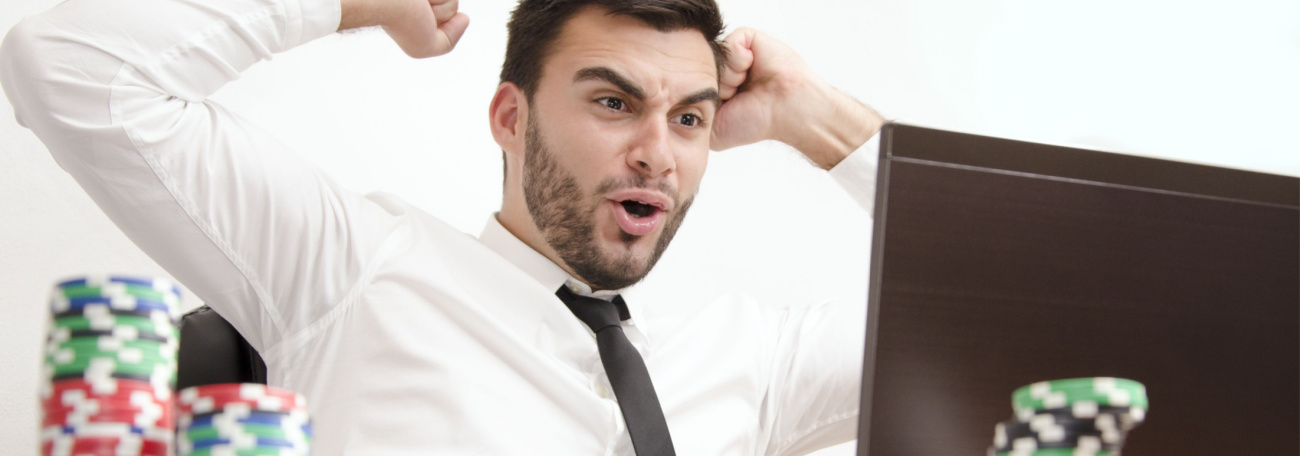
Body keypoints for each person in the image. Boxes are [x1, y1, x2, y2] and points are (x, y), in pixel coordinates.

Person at [1, 0, 885, 453]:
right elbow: (69, 69)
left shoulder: (755, 365)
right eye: (614, 102)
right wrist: (352, 0)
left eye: (690, 118)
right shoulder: (351, 268)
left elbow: (1023, 308)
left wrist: (820, 120)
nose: (659, 154)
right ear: (511, 117)